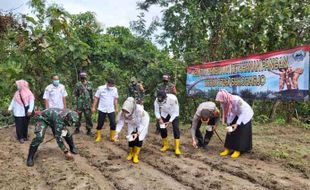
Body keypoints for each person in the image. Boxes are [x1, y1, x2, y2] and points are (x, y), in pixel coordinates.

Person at [215, 89, 254, 158]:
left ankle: (238, 150)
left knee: (241, 131)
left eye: (221, 100)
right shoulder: (223, 102)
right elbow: (225, 112)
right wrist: (227, 121)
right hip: (234, 114)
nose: (220, 102)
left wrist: (237, 124)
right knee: (230, 130)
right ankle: (227, 148)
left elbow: (243, 112)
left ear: (225, 97)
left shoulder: (237, 100)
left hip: (245, 114)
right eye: (219, 101)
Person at [114, 97, 149, 164]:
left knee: (139, 138)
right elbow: (120, 122)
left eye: (127, 112)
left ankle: (136, 155)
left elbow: (142, 124)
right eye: (124, 111)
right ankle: (131, 153)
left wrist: (137, 133)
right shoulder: (123, 112)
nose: (125, 113)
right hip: (132, 123)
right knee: (130, 137)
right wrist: (116, 133)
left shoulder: (139, 111)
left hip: (142, 123)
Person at [154, 91, 181, 155]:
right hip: (164, 113)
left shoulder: (173, 99)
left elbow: (176, 111)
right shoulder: (156, 100)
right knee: (162, 128)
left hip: (174, 114)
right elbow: (156, 111)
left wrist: (169, 121)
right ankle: (166, 145)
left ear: (165, 98)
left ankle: (177, 148)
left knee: (176, 129)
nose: (160, 101)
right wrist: (159, 118)